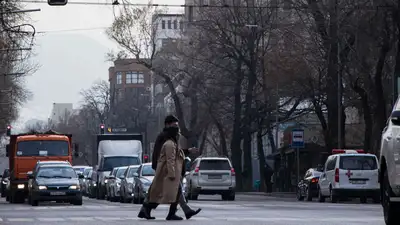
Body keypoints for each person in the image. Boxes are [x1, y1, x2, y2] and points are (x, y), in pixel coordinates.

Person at [138, 115, 201, 220]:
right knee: (161, 192)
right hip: (165, 169)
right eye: (174, 125)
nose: (176, 127)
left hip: (168, 168)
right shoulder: (165, 137)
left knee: (166, 191)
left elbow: (176, 153)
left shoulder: (172, 137)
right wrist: (164, 169)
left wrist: (188, 151)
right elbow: (164, 154)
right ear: (167, 125)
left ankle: (184, 211)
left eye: (177, 125)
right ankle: (175, 212)